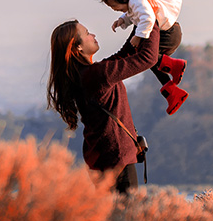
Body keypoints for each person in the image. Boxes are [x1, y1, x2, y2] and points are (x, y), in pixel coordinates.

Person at [47, 19, 160, 193]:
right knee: (128, 218)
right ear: (78, 47)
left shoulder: (84, 75)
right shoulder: (98, 75)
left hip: (102, 159)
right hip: (117, 159)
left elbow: (125, 54)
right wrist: (154, 21)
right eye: (87, 34)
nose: (93, 35)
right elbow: (148, 58)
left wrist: (141, 21)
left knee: (110, 217)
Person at [100, 0, 188, 115]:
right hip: (167, 32)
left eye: (115, 7)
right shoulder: (134, 1)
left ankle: (175, 67)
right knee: (148, 60)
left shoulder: (138, 1)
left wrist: (138, 36)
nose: (114, 9)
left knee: (146, 57)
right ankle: (173, 93)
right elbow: (133, 14)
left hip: (169, 34)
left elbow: (147, 18)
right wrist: (122, 20)